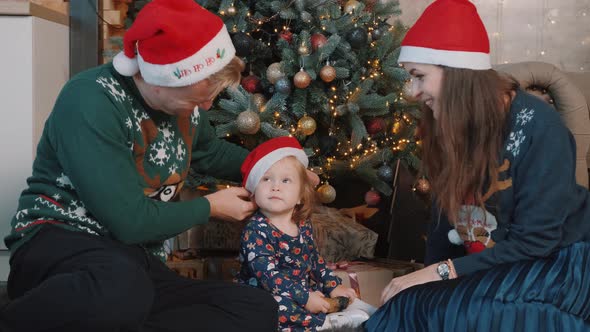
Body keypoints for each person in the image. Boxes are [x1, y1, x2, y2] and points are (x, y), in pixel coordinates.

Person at [0, 1, 280, 331]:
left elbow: (210, 152)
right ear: (159, 79)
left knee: (254, 308)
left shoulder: (183, 104)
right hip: (59, 243)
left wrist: (276, 163)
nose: (206, 106)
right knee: (121, 288)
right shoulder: (90, 101)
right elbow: (130, 222)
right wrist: (209, 207)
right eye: (197, 98)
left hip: (130, 260)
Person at [365, 0, 590, 331]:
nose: (413, 92)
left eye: (419, 76)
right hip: (493, 263)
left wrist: (441, 272)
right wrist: (425, 278)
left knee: (474, 314)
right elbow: (444, 221)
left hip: (559, 260)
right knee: (409, 303)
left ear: (455, 73)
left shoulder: (539, 126)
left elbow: (537, 241)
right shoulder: (448, 123)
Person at [236, 137, 375, 331]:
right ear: (253, 191)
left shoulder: (302, 225)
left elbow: (314, 261)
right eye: (266, 179)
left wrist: (333, 285)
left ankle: (334, 314)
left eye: (286, 180)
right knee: (277, 307)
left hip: (300, 291)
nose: (275, 186)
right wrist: (305, 297)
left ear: (301, 195)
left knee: (326, 295)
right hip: (265, 293)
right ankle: (323, 323)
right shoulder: (256, 230)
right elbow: (269, 276)